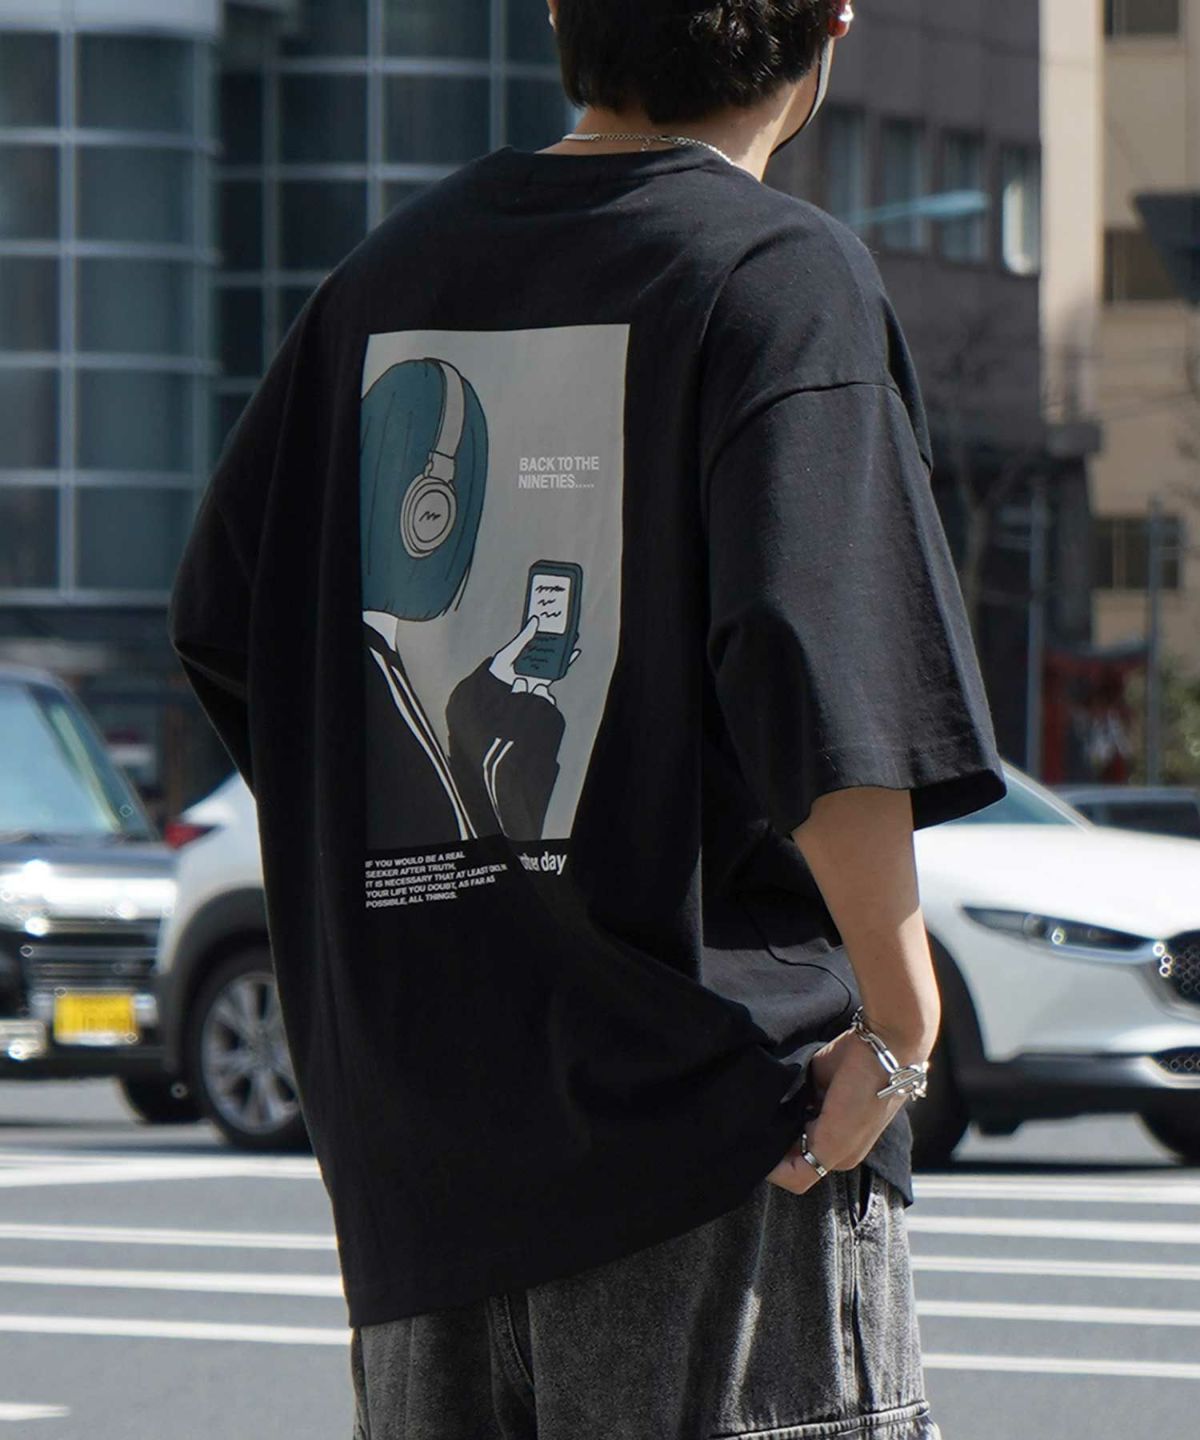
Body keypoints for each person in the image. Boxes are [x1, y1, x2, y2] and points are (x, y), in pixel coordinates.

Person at [168, 1, 1007, 1435]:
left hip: (426, 1170)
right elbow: (818, 667)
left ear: (561, 11)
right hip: (715, 1146)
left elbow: (229, 624)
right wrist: (901, 1020)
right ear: (833, 23)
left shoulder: (380, 281)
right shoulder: (775, 274)